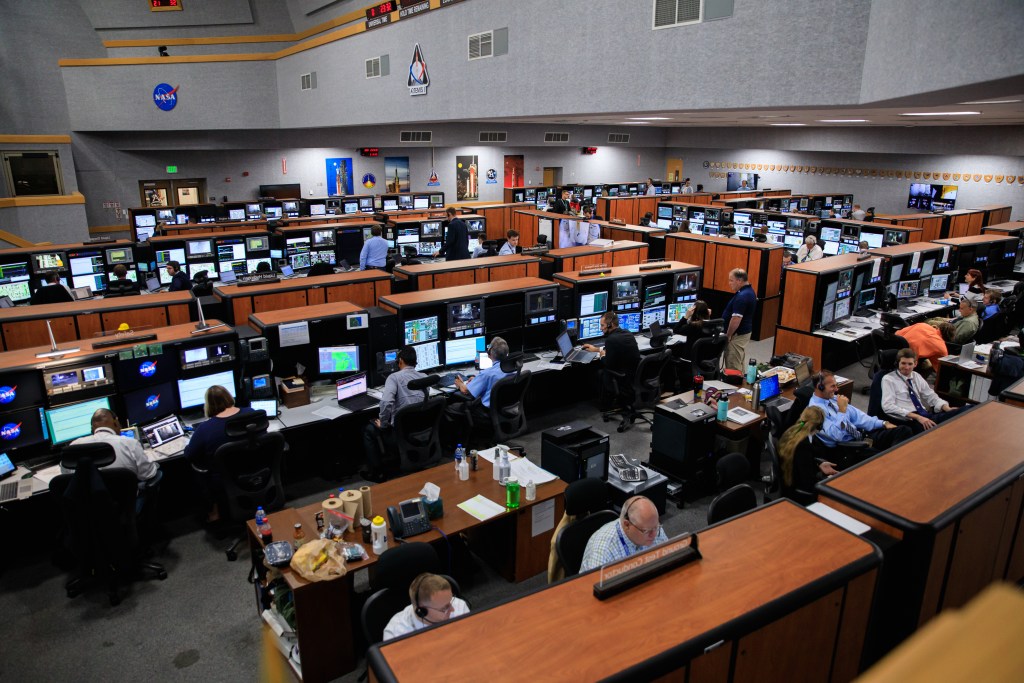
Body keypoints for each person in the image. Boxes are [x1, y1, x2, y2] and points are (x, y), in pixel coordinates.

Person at [183, 385, 254, 523]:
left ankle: (214, 512)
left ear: (208, 404)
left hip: (223, 479)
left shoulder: (205, 428)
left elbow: (189, 455)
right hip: (254, 469)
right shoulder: (251, 413)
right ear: (229, 397)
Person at [808, 370, 912, 455]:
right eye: (832, 386)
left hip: (861, 436)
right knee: (880, 456)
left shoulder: (833, 399)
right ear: (820, 387)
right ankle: (894, 460)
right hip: (847, 447)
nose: (836, 389)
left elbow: (859, 417)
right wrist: (842, 411)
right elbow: (836, 436)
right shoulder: (816, 410)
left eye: (836, 385)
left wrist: (883, 423)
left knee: (904, 430)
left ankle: (895, 458)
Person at [361, 345, 426, 482]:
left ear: (400, 361)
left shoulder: (394, 378)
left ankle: (377, 473)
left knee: (368, 430)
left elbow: (385, 403)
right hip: (419, 430)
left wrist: (383, 424)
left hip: (398, 433)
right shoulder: (424, 377)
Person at [63, 408, 159, 484]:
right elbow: (148, 475)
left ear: (92, 429)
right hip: (126, 504)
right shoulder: (130, 444)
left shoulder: (74, 447)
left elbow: (67, 477)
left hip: (88, 506)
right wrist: (154, 465)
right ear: (116, 422)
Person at [882, 348, 967, 434]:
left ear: (915, 364)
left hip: (926, 416)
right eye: (903, 363)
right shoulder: (889, 379)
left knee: (965, 411)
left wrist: (947, 408)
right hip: (910, 420)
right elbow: (887, 406)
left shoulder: (916, 376)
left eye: (910, 364)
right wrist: (917, 417)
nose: (907, 367)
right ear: (898, 363)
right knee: (944, 431)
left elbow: (931, 396)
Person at [579, 495, 668, 572]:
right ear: (627, 525)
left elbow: (668, 558)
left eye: (656, 527)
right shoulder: (603, 552)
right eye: (646, 531)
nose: (654, 535)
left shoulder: (652, 527)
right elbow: (593, 588)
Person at [382, 573, 469, 641]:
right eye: (444, 608)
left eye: (451, 601)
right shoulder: (395, 634)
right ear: (421, 611)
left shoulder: (460, 607)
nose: (453, 609)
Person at [583, 311, 640, 409]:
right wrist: (596, 349)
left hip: (623, 377)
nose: (601, 328)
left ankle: (606, 406)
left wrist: (602, 355)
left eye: (602, 325)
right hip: (633, 375)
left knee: (600, 372)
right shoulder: (627, 333)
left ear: (610, 325)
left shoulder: (611, 339)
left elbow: (607, 363)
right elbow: (616, 349)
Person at [776, 406, 837, 498]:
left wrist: (819, 464)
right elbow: (807, 482)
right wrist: (826, 480)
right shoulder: (803, 446)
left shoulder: (791, 432)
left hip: (789, 484)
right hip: (799, 492)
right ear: (819, 426)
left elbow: (802, 464)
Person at [722, 268, 756, 372]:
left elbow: (736, 319)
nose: (729, 283)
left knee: (733, 364)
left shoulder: (742, 296)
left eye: (731, 280)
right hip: (742, 333)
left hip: (736, 336)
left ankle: (735, 386)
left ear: (739, 280)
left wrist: (728, 335)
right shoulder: (748, 291)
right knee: (739, 360)